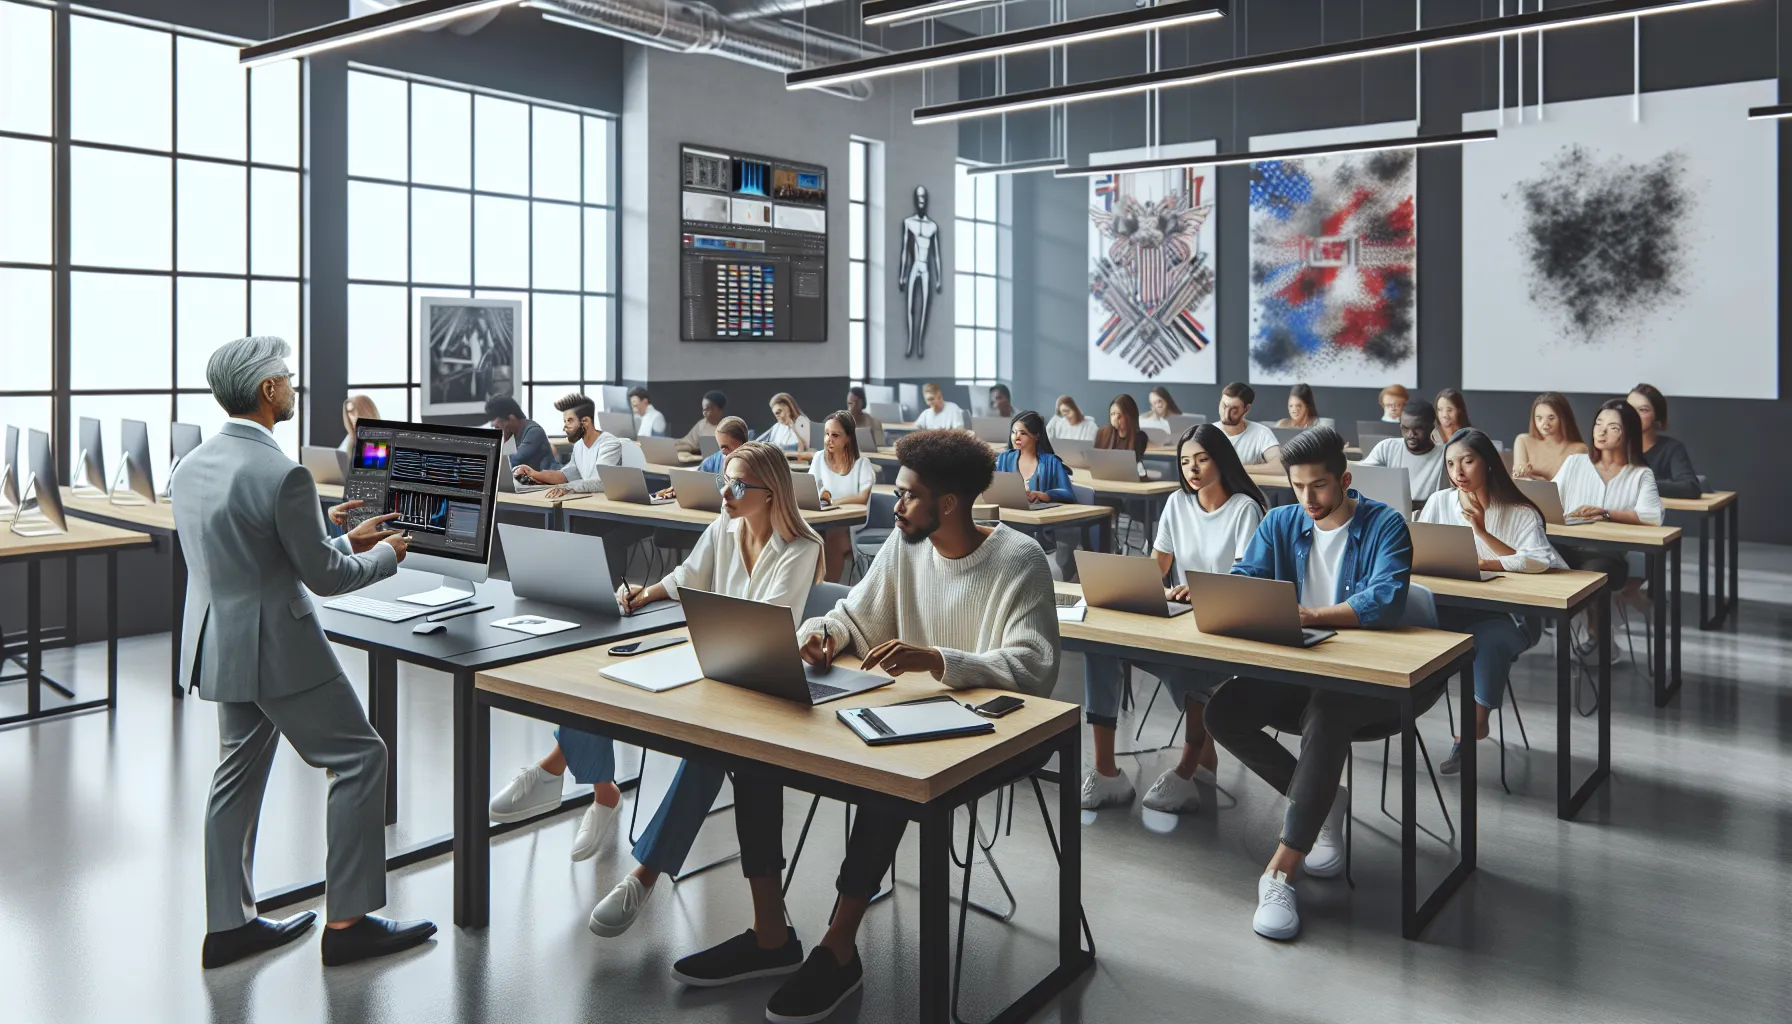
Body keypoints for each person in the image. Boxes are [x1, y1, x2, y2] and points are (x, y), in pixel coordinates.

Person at [670, 429, 1059, 1023]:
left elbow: (1034, 668)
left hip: (988, 730)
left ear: (948, 504)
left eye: (905, 495)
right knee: (755, 754)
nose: (893, 506)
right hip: (908, 710)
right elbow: (853, 614)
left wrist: (938, 660)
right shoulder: (905, 546)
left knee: (889, 774)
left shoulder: (1019, 559)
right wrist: (820, 636)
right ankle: (771, 935)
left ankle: (839, 946)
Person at [490, 442, 825, 938]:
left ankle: (639, 870)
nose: (725, 493)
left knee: (709, 746)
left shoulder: (802, 549)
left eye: (736, 485)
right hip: (710, 657)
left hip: (758, 683)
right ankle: (585, 787)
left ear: (772, 493)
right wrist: (642, 594)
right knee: (605, 679)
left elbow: (770, 623)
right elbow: (687, 576)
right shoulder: (723, 528)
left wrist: (702, 631)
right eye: (723, 482)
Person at [174, 337, 433, 969]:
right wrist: (382, 556)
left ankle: (229, 926)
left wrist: (338, 533)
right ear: (267, 392)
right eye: (287, 378)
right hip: (279, 647)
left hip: (219, 643)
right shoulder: (281, 472)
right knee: (360, 757)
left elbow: (257, 552)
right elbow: (322, 578)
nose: (293, 386)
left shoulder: (192, 465)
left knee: (233, 780)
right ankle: (349, 923)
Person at [1202, 426, 1414, 941]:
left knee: (1328, 711)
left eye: (1318, 486)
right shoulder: (1279, 521)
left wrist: (1314, 613)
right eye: (1297, 487)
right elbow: (1248, 573)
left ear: (1343, 479)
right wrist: (1226, 591)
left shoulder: (1385, 524)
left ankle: (1280, 871)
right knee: (1222, 713)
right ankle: (1323, 801)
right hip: (1298, 668)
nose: (1308, 499)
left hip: (1368, 682)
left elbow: (1386, 597)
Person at [1081, 423, 1268, 814]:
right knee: (1100, 648)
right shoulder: (1177, 504)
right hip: (1178, 617)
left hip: (1221, 624)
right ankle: (1106, 770)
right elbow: (1156, 567)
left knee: (1194, 669)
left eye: (1202, 459)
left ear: (1221, 460)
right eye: (1185, 462)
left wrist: (1199, 593)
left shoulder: (1245, 509)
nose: (1192, 469)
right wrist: (1147, 590)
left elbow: (1243, 578)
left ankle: (1191, 765)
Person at [1417, 428, 1566, 774]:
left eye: (1468, 461)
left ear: (1488, 464)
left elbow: (1537, 560)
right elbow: (1419, 546)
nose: (1459, 472)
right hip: (1452, 607)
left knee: (1488, 640)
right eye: (1451, 463)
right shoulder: (1440, 502)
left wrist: (1483, 538)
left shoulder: (1519, 512)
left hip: (1509, 616)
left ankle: (1472, 727)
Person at [1553, 399, 1664, 616]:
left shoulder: (1640, 474)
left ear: (1629, 433)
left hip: (1608, 556)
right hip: (1566, 548)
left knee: (1591, 577)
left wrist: (1605, 513)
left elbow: (1652, 516)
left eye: (1612, 427)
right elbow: (1549, 501)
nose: (1601, 432)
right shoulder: (1575, 462)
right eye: (1598, 424)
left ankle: (1597, 637)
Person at [514, 393, 626, 496]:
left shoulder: (609, 444)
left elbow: (600, 482)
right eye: (565, 421)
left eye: (570, 421)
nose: (564, 427)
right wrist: (534, 474)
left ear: (585, 421)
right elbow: (564, 476)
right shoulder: (579, 446)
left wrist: (568, 487)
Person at [810, 412, 876, 581]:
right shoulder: (818, 458)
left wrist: (834, 502)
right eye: (826, 434)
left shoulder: (862, 464)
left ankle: (828, 589)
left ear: (848, 438)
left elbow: (862, 498)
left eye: (835, 435)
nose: (829, 439)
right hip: (823, 516)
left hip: (852, 522)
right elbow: (810, 489)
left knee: (834, 532)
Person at [1357, 396, 1447, 501]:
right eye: (1405, 428)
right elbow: (1361, 477)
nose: (1410, 435)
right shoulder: (1387, 448)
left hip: (1427, 515)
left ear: (1431, 429)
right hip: (1390, 511)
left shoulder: (1445, 455)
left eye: (1418, 429)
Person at [1628, 383, 1702, 499]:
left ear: (1657, 417)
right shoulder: (1612, 445)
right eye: (1629, 408)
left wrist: (1642, 485)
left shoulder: (1671, 449)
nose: (1633, 415)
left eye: (1643, 410)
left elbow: (1691, 487)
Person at [654, 416, 749, 500]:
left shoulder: (755, 465)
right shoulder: (713, 461)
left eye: (727, 447)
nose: (724, 452)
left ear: (742, 442)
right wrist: (680, 490)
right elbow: (696, 483)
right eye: (721, 447)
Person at [995, 411, 1075, 504]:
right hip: (1009, 512)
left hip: (1042, 515)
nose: (1016, 437)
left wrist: (1046, 495)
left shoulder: (1052, 462)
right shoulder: (1004, 458)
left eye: (1023, 433)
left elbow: (1069, 494)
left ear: (1036, 436)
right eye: (1013, 432)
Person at [1511, 391, 1587, 481]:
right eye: (1539, 418)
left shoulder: (1579, 449)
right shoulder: (1523, 441)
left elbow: (1576, 485)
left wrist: (1539, 479)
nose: (1545, 424)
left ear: (1563, 418)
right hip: (1530, 494)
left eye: (1551, 418)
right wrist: (1521, 471)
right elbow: (1519, 479)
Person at [1215, 381, 1284, 469]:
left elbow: (1280, 466)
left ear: (1246, 409)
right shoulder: (1207, 431)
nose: (1226, 414)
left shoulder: (1261, 433)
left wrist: (1237, 469)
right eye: (1224, 406)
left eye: (1234, 409)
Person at [484, 393, 557, 472]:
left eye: (498, 426)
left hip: (549, 480)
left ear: (511, 419)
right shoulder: (514, 433)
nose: (497, 431)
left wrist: (503, 440)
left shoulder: (534, 431)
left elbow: (514, 461)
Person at [1094, 393, 1149, 473]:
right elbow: (1095, 459)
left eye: (1119, 415)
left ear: (1130, 416)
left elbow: (1132, 463)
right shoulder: (1102, 433)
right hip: (1104, 475)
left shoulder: (1140, 437)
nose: (1115, 418)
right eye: (1112, 414)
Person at [675, 390, 729, 457]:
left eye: (711, 409)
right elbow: (687, 443)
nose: (707, 413)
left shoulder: (731, 425)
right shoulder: (702, 425)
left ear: (720, 410)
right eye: (705, 409)